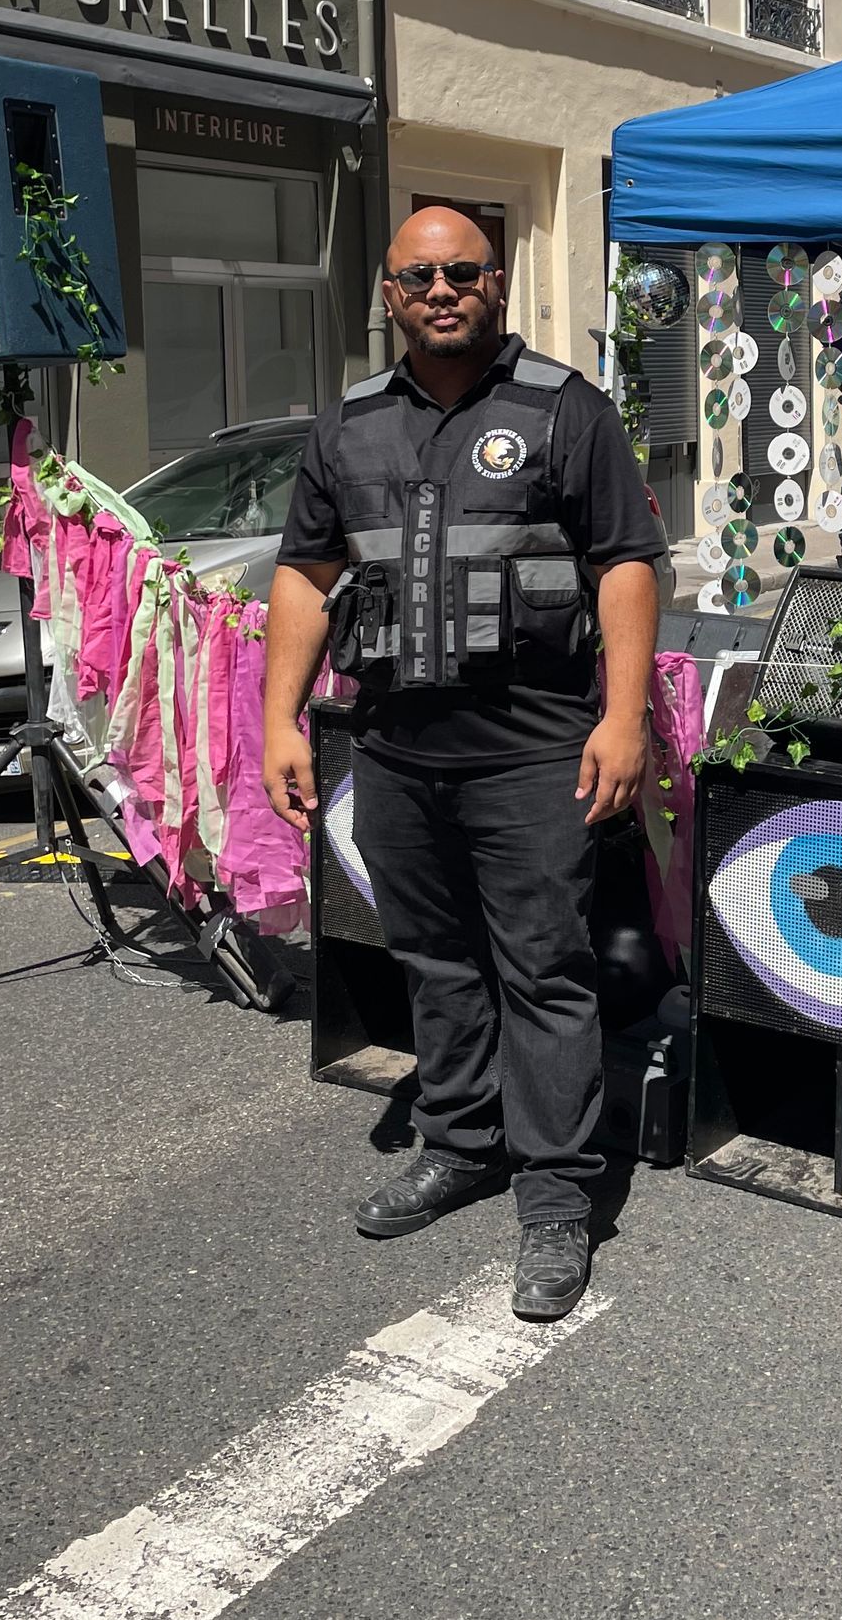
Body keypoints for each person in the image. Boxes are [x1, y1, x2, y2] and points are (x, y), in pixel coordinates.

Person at [261, 207, 665, 1321]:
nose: (441, 290)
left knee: (543, 967)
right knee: (434, 959)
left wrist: (622, 716)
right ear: (388, 294)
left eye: (463, 272)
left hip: (533, 744)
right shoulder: (347, 426)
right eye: (418, 276)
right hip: (393, 743)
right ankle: (462, 1142)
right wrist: (279, 718)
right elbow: (304, 571)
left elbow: (627, 563)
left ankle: (555, 1199)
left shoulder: (562, 410)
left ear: (496, 285)